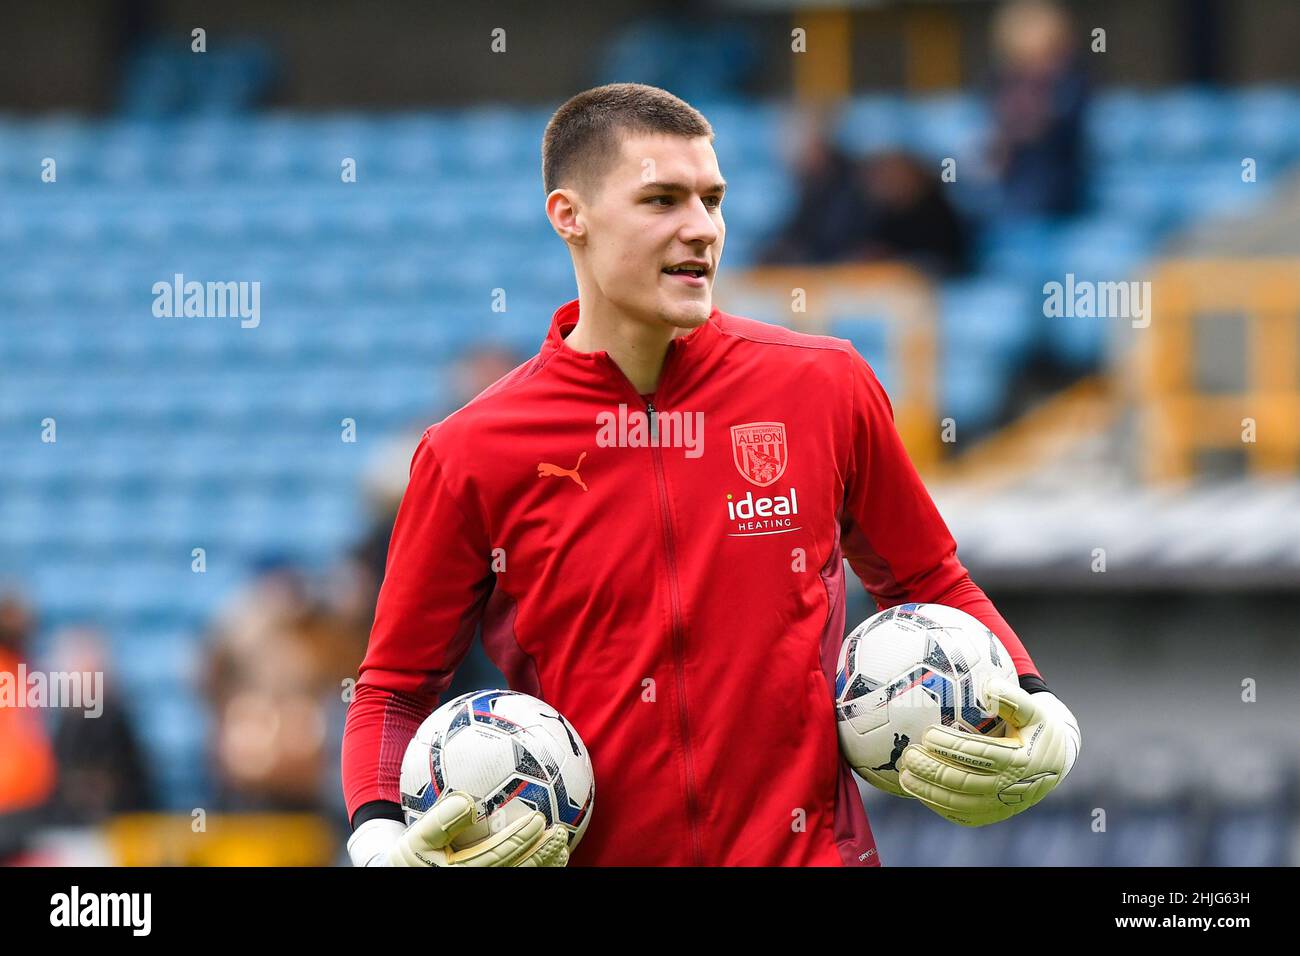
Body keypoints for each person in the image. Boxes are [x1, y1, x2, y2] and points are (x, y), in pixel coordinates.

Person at [341, 83, 1080, 867]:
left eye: (712, 200)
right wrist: (380, 834)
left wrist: (1037, 702)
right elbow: (393, 688)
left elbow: (928, 576)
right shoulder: (473, 449)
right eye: (662, 199)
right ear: (570, 216)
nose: (700, 229)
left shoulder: (823, 385)